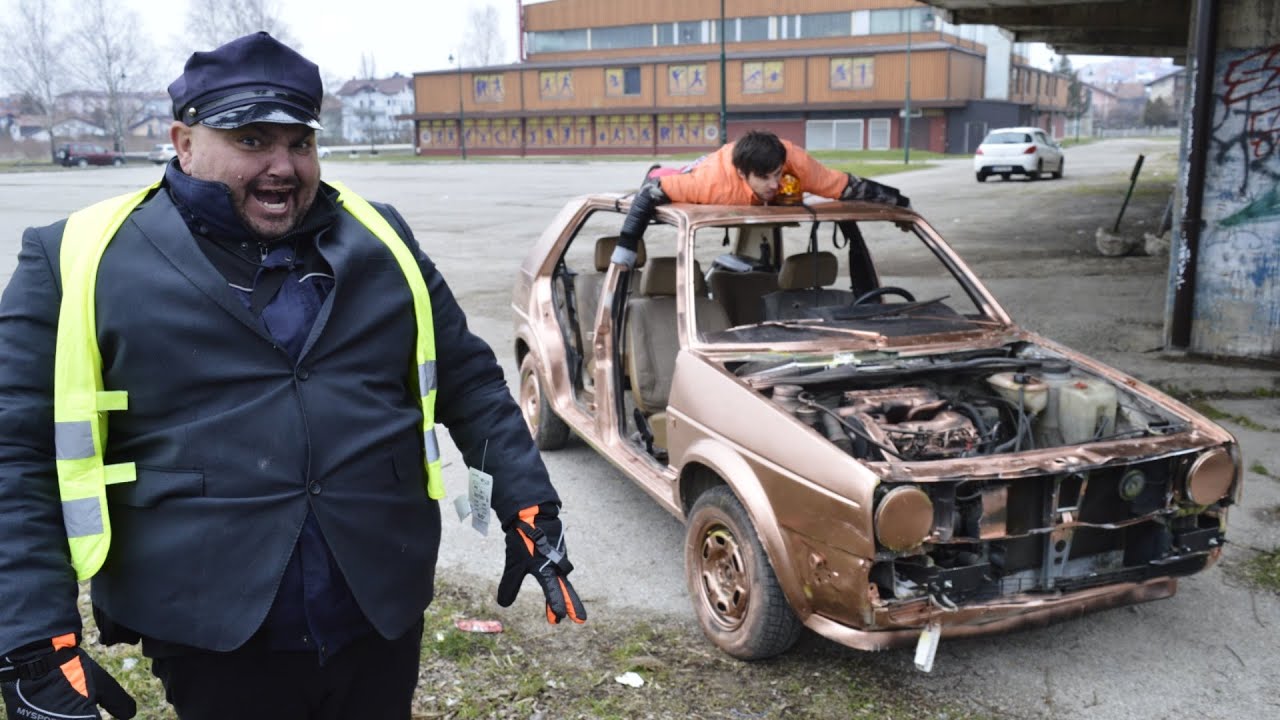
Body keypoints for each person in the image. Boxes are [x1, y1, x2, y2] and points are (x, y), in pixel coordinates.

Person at [0, 32, 584, 720]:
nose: (283, 166)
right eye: (252, 140)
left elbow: (470, 381)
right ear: (183, 142)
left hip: (379, 602)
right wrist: (32, 637)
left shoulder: (382, 236)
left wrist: (528, 502)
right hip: (211, 624)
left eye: (299, 143)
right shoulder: (72, 255)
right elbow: (16, 449)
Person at [611, 129, 910, 267]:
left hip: (755, 157)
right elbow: (650, 194)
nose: (774, 185)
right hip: (703, 168)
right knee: (661, 179)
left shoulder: (798, 165)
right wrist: (625, 249)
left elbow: (848, 187)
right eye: (764, 178)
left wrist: (900, 203)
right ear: (744, 174)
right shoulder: (712, 185)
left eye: (777, 174)